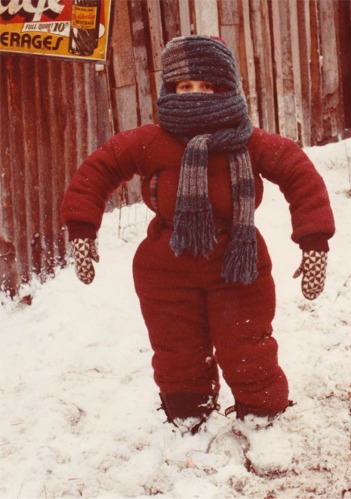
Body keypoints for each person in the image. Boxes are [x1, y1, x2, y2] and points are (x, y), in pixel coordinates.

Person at [61, 35, 335, 435]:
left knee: (248, 344)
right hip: (165, 266)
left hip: (236, 262)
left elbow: (299, 174)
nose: (196, 96)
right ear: (169, 89)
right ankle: (188, 415)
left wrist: (314, 242)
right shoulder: (152, 140)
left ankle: (262, 419)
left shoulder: (249, 140)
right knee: (176, 348)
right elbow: (99, 168)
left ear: (226, 88)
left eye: (207, 87)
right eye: (185, 87)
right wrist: (83, 229)